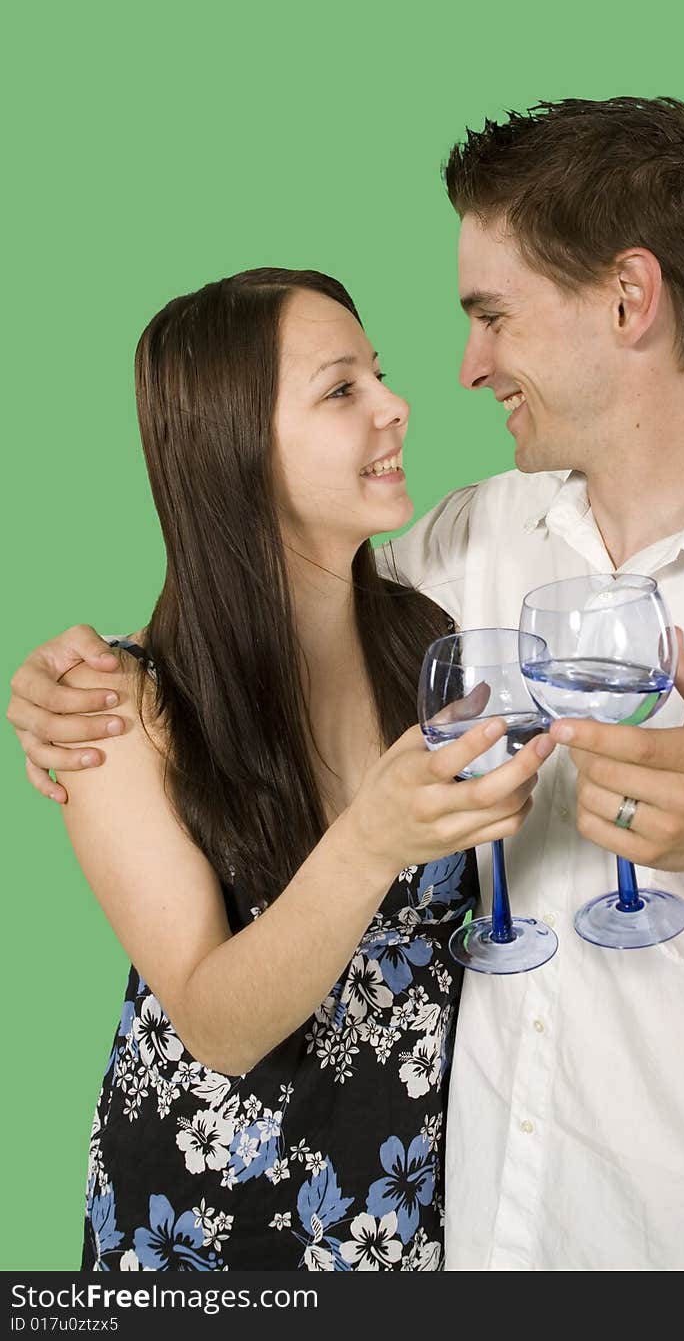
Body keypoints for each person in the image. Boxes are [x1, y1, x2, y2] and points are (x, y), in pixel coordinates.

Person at [8, 99, 684, 1269]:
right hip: (436, 1237)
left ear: (628, 300)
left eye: (492, 315)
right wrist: (72, 676)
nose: (457, 371)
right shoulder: (463, 559)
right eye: (345, 385)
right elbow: (262, 595)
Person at [7, 267, 553, 1270]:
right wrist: (374, 836)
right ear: (237, 448)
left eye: (377, 374)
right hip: (202, 1236)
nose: (396, 405)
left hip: (400, 1218)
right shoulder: (121, 708)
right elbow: (217, 1022)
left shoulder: (428, 646)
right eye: (342, 389)